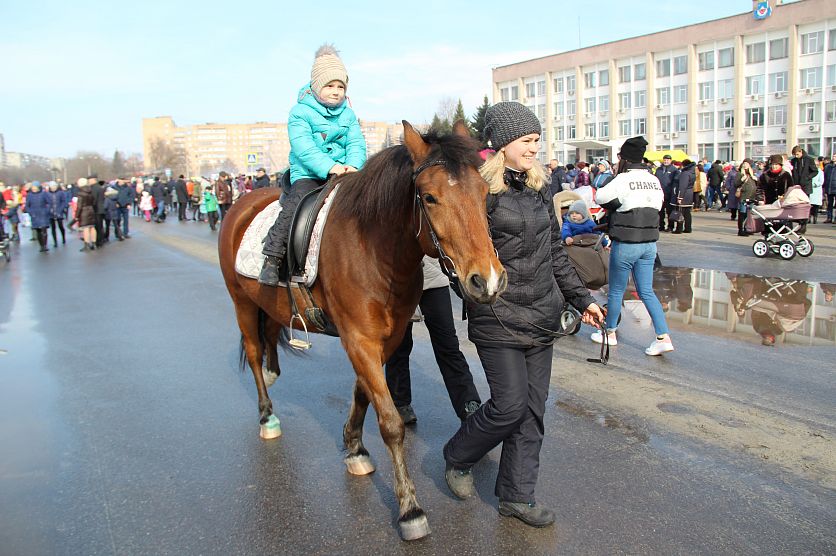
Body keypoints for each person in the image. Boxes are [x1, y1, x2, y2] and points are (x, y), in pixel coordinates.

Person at [442, 102, 603, 528]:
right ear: (502, 144)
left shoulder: (539, 187)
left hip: (542, 314)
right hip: (497, 314)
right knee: (509, 406)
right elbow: (462, 252)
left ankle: (517, 496)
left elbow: (555, 254)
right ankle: (458, 454)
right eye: (526, 141)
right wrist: (473, 292)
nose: (534, 148)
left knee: (532, 410)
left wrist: (582, 300)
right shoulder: (480, 191)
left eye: (536, 140)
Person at [259, 44, 367, 286]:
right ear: (317, 86)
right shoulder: (300, 112)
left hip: (345, 173)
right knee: (297, 203)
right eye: (330, 85)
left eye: (341, 86)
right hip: (309, 174)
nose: (336, 92)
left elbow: (357, 144)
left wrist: (353, 165)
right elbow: (303, 147)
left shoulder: (348, 115)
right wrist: (329, 167)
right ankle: (273, 257)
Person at [593, 136, 674, 356]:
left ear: (625, 159)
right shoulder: (653, 180)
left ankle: (609, 333)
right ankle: (663, 337)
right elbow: (658, 205)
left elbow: (600, 197)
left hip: (626, 243)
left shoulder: (622, 179)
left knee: (616, 290)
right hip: (649, 244)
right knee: (646, 291)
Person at [385, 256, 482, 425]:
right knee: (399, 345)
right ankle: (399, 403)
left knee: (448, 346)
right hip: (399, 280)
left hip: (433, 278)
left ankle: (468, 403)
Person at [24, 181, 51, 252]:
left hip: (43, 214)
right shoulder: (29, 195)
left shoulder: (44, 193)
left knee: (44, 229)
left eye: (35, 187)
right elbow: (27, 206)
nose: (34, 189)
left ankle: (45, 245)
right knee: (38, 231)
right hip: (34, 214)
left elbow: (49, 203)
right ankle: (41, 245)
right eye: (33, 188)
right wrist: (30, 212)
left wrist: (47, 210)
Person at [654, 154, 679, 231]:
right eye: (665, 160)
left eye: (667, 160)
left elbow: (676, 182)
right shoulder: (659, 169)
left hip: (669, 194)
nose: (666, 161)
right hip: (660, 194)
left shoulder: (674, 170)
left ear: (670, 161)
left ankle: (670, 226)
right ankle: (661, 225)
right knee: (660, 212)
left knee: (669, 212)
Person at [734, 159, 758, 236]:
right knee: (742, 213)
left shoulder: (752, 173)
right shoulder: (740, 174)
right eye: (744, 163)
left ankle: (747, 228)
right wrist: (742, 179)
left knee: (749, 214)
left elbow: (757, 185)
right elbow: (735, 184)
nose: (745, 165)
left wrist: (756, 180)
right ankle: (741, 230)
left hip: (752, 196)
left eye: (747, 164)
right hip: (744, 196)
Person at [672, 159, 695, 234]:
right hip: (689, 193)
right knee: (687, 213)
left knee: (680, 212)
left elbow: (682, 186)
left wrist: (680, 197)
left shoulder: (685, 173)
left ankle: (679, 229)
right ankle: (688, 228)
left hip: (684, 194)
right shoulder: (692, 172)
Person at [75, 178, 98, 251]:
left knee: (86, 228)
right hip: (91, 210)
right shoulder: (91, 191)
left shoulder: (80, 194)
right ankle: (94, 243)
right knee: (92, 227)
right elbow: (94, 201)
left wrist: (76, 215)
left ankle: (87, 244)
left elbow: (79, 206)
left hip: (84, 212)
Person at [48, 182, 68, 247]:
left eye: (54, 186)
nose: (53, 188)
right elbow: (46, 203)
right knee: (53, 228)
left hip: (59, 212)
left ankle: (63, 238)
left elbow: (63, 202)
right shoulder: (47, 194)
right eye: (52, 186)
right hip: (51, 213)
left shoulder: (60, 193)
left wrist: (61, 209)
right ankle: (55, 242)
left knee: (61, 226)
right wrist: (49, 209)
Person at [824, 153, 836, 224]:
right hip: (829, 187)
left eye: (835, 156)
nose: (834, 157)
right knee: (829, 204)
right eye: (833, 156)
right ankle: (829, 217)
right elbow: (825, 177)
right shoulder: (828, 166)